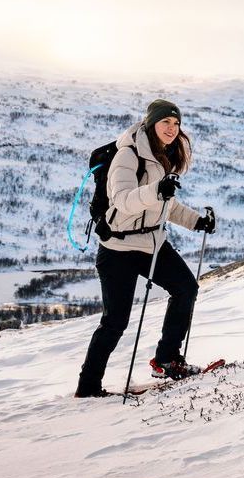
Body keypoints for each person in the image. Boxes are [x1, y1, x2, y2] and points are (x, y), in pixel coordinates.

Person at [74, 98, 219, 397]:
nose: (172, 128)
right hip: (118, 248)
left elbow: (166, 203)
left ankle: (167, 359)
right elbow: (124, 200)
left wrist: (196, 222)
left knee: (186, 289)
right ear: (151, 123)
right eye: (166, 122)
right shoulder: (128, 156)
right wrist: (156, 190)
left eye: (176, 123)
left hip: (153, 242)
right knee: (115, 321)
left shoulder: (163, 154)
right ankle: (88, 386)